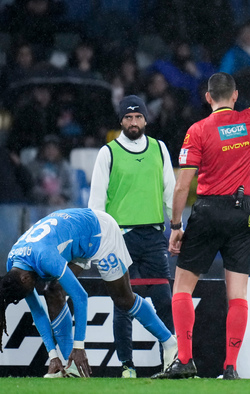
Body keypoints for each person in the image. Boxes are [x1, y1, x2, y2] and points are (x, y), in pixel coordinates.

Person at [155, 35, 250, 380]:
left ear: (208, 97)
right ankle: (230, 367)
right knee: (237, 293)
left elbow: (182, 184)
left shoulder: (197, 131)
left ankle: (185, 360)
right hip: (244, 212)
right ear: (235, 96)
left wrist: (176, 225)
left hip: (208, 212)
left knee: (182, 288)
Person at [0, 208, 177, 378]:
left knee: (123, 299)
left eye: (29, 288)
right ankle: (72, 367)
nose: (33, 288)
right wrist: (52, 356)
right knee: (54, 291)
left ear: (24, 279)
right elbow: (37, 311)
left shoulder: (43, 256)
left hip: (100, 232)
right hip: (73, 239)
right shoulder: (14, 267)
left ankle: (170, 343)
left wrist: (80, 346)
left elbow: (80, 297)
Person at [88, 95, 176, 378]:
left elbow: (170, 192)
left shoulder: (159, 149)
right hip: (119, 238)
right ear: (121, 121)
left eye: (138, 117)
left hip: (153, 236)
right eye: (128, 117)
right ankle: (127, 365)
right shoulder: (108, 152)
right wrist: (99, 241)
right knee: (124, 302)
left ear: (146, 119)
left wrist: (177, 225)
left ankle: (172, 361)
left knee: (164, 298)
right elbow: (96, 203)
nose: (134, 122)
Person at [27, 134, 74, 206]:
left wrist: (62, 197)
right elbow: (31, 187)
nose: (51, 151)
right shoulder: (33, 166)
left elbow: (72, 187)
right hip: (40, 205)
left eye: (54, 148)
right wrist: (47, 198)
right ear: (43, 149)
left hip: (61, 204)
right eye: (48, 148)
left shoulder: (65, 166)